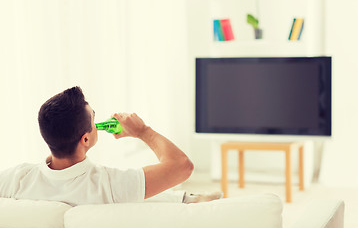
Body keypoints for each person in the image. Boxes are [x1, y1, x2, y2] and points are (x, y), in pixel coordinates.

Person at [0, 86, 221, 206]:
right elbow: (182, 166)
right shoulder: (110, 185)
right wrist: (143, 131)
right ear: (85, 139)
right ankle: (186, 199)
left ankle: (186, 198)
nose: (96, 124)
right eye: (94, 120)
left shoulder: (17, 178)